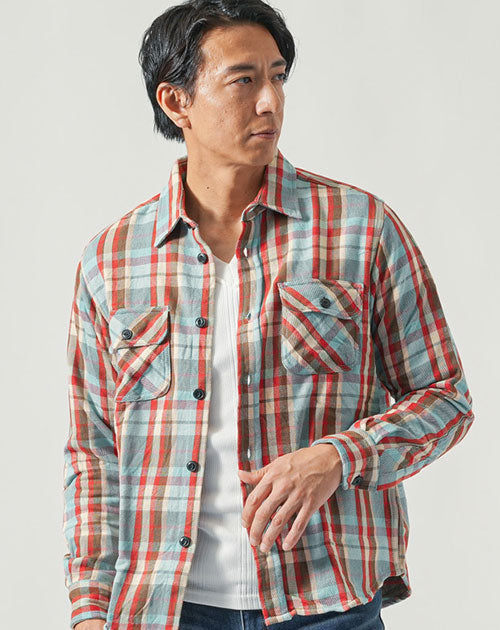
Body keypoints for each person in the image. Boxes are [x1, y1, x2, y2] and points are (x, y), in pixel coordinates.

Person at [62, 1, 475, 629]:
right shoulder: (114, 259)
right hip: (166, 609)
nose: (270, 102)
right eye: (243, 80)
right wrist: (91, 610)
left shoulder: (361, 229)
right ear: (176, 102)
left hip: (327, 604)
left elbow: (446, 398)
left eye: (278, 77)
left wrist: (339, 456)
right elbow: (93, 453)